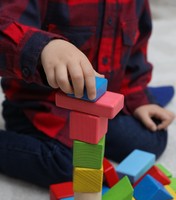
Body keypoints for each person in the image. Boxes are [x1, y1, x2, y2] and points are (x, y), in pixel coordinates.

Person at [0, 0, 174, 188]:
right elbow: (4, 26)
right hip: (41, 109)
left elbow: (135, 51)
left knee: (153, 139)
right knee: (68, 167)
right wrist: (43, 47)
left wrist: (138, 98)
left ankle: (137, 100)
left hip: (99, 106)